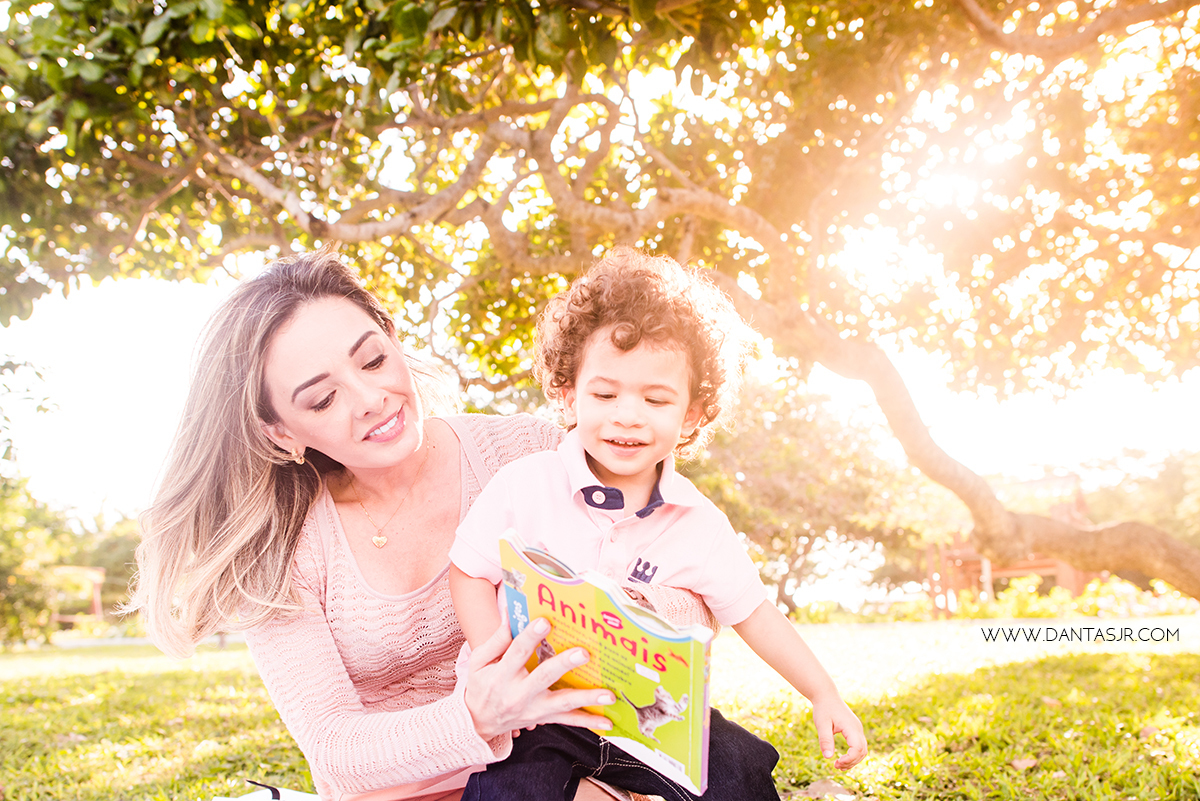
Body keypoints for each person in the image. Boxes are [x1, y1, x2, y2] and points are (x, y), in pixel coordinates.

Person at [127, 247, 777, 801]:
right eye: (322, 398)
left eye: (373, 360)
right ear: (280, 432)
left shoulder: (524, 453)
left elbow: (693, 594)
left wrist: (624, 609)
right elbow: (333, 747)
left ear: (392, 338)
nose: (371, 398)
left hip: (562, 763)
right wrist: (474, 714)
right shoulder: (277, 552)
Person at [449, 247, 868, 800]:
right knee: (507, 790)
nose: (627, 415)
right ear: (569, 395)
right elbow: (468, 571)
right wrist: (499, 664)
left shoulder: (700, 523)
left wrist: (822, 693)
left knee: (740, 772)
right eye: (605, 393)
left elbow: (755, 614)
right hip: (542, 713)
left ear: (691, 414)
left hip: (653, 718)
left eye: (656, 399)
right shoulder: (524, 484)